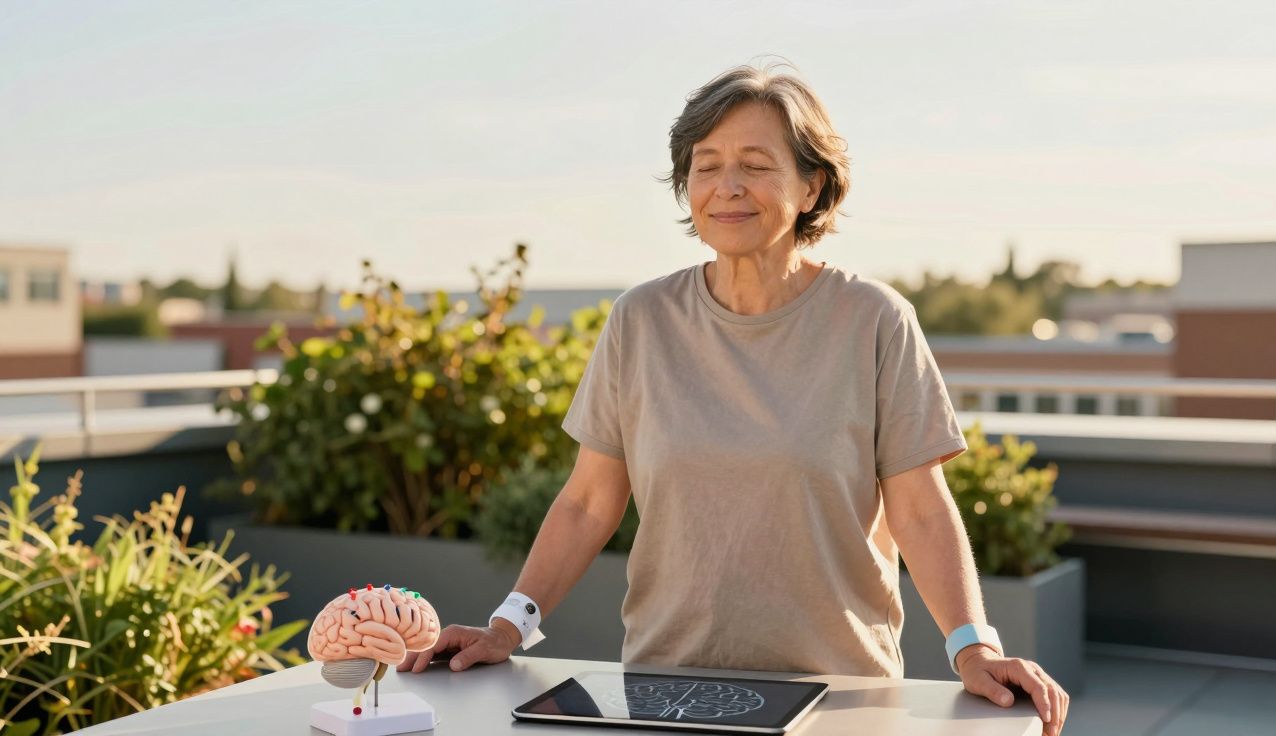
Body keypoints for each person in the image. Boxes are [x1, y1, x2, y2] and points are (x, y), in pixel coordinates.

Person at [399, 62, 1068, 735]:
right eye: (707, 165)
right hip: (664, 690)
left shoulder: (873, 320)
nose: (727, 187)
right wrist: (507, 626)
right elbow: (586, 501)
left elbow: (920, 509)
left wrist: (974, 648)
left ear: (810, 186)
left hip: (840, 697)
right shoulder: (641, 320)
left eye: (755, 164)